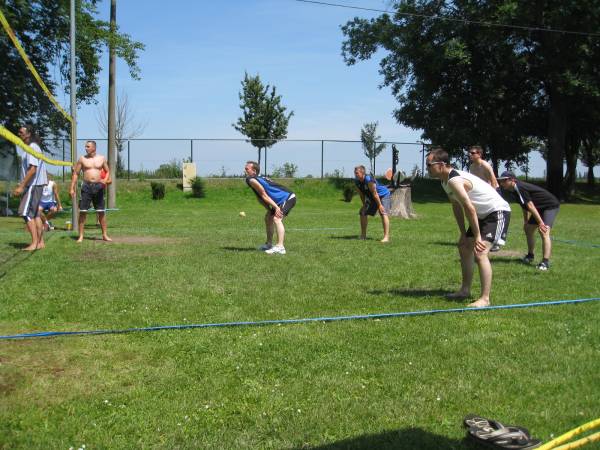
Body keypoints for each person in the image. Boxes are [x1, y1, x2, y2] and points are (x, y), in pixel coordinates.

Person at [427, 148, 511, 307]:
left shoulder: (454, 180)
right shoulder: (444, 181)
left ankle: (485, 299)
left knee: (480, 252)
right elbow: (456, 206)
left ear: (442, 164)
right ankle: (464, 290)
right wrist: (462, 233)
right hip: (482, 215)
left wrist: (478, 237)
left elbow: (470, 208)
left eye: (429, 164)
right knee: (464, 247)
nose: (427, 167)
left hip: (496, 211)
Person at [497, 171, 559, 271]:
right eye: (500, 181)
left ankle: (545, 262)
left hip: (550, 206)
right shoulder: (513, 190)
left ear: (512, 180)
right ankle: (530, 256)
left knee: (544, 231)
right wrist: (526, 221)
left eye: (504, 181)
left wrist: (541, 223)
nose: (501, 183)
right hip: (539, 208)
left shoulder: (520, 187)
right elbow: (524, 206)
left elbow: (530, 205)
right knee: (528, 229)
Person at [244, 160, 296, 255]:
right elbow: (260, 197)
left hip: (287, 197)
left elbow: (264, 195)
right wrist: (269, 209)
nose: (245, 171)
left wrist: (276, 208)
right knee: (268, 218)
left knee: (277, 218)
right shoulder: (255, 179)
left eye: (247, 169)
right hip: (278, 201)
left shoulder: (251, 179)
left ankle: (280, 247)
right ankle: (268, 244)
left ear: (254, 171)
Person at [12, 124, 48, 251]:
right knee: (35, 214)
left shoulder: (32, 147)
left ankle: (33, 244)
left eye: (21, 132)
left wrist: (22, 186)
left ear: (29, 134)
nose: (19, 134)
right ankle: (40, 242)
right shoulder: (32, 147)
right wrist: (23, 183)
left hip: (34, 185)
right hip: (35, 184)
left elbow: (33, 169)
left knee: (25, 213)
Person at [69, 140, 112, 242]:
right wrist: (71, 188)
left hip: (99, 187)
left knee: (101, 212)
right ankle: (81, 236)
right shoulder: (82, 159)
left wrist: (105, 180)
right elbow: (76, 174)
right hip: (86, 187)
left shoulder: (101, 158)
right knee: (83, 212)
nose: (86, 148)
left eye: (88, 146)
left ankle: (104, 235)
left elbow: (108, 171)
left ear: (94, 148)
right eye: (85, 146)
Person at [354, 165, 391, 242]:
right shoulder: (356, 182)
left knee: (383, 212)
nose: (355, 174)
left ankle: (386, 237)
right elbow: (361, 194)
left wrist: (380, 205)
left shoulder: (369, 180)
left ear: (362, 173)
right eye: (355, 173)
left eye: (357, 173)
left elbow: (375, 193)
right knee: (362, 212)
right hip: (373, 197)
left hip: (383, 195)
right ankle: (363, 235)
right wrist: (364, 205)